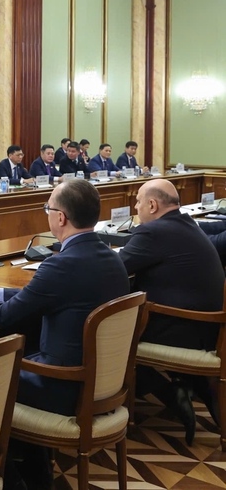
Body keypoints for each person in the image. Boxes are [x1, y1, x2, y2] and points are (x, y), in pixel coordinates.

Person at [0, 179, 130, 488]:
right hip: (102, 383)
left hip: (64, 386)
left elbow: (8, 317)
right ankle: (36, 473)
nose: (47, 214)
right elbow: (41, 296)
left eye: (48, 208)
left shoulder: (60, 265)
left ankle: (13, 479)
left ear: (60, 217)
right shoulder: (112, 259)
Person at [118, 179, 224, 443]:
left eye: (138, 202)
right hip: (208, 328)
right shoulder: (185, 223)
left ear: (152, 205)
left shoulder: (154, 232)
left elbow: (114, 268)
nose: (136, 206)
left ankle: (165, 390)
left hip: (185, 329)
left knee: (109, 337)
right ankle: (184, 389)